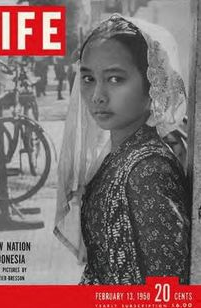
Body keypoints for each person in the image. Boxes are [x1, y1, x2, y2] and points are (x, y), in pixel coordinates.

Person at [54, 14, 191, 285]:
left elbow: (168, 291)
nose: (97, 96)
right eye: (89, 78)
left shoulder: (148, 171)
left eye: (115, 79)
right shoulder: (122, 154)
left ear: (152, 85)